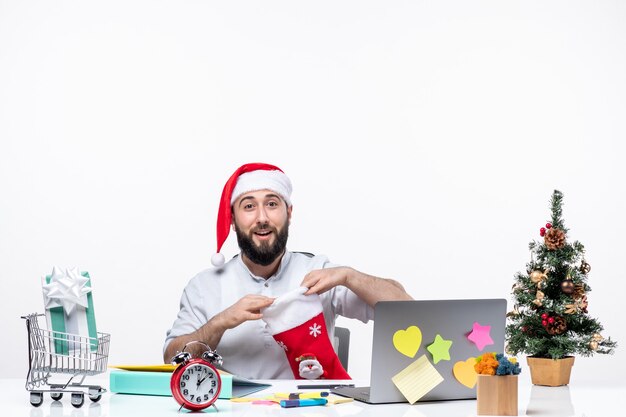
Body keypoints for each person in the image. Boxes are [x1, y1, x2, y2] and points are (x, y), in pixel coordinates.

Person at [163, 162, 412, 379]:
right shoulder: (204, 286)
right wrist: (221, 322)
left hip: (309, 409)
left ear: (289, 213)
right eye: (249, 206)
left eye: (272, 204)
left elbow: (405, 308)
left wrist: (350, 276)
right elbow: (171, 360)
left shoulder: (319, 272)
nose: (262, 218)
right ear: (233, 219)